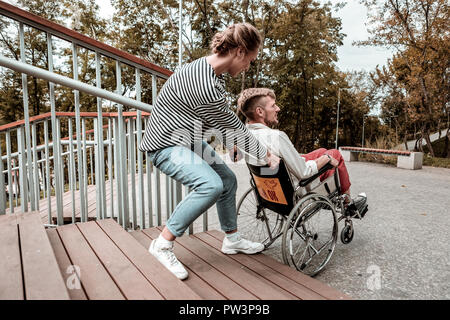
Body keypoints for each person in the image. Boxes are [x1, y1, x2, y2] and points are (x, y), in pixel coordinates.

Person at [139, 24, 280, 280]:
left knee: (227, 180)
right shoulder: (204, 82)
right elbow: (230, 123)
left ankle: (232, 239)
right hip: (166, 145)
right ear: (239, 51)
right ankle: (162, 244)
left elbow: (218, 120)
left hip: (187, 139)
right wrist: (266, 154)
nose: (248, 66)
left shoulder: (210, 71)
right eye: (249, 60)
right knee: (210, 185)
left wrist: (233, 143)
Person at [237, 87, 366, 212]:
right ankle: (348, 204)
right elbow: (304, 172)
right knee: (334, 154)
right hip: (294, 191)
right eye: (273, 106)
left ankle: (341, 197)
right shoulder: (276, 137)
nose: (278, 108)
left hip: (269, 191)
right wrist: (326, 159)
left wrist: (319, 156)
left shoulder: (244, 136)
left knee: (321, 151)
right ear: (260, 111)